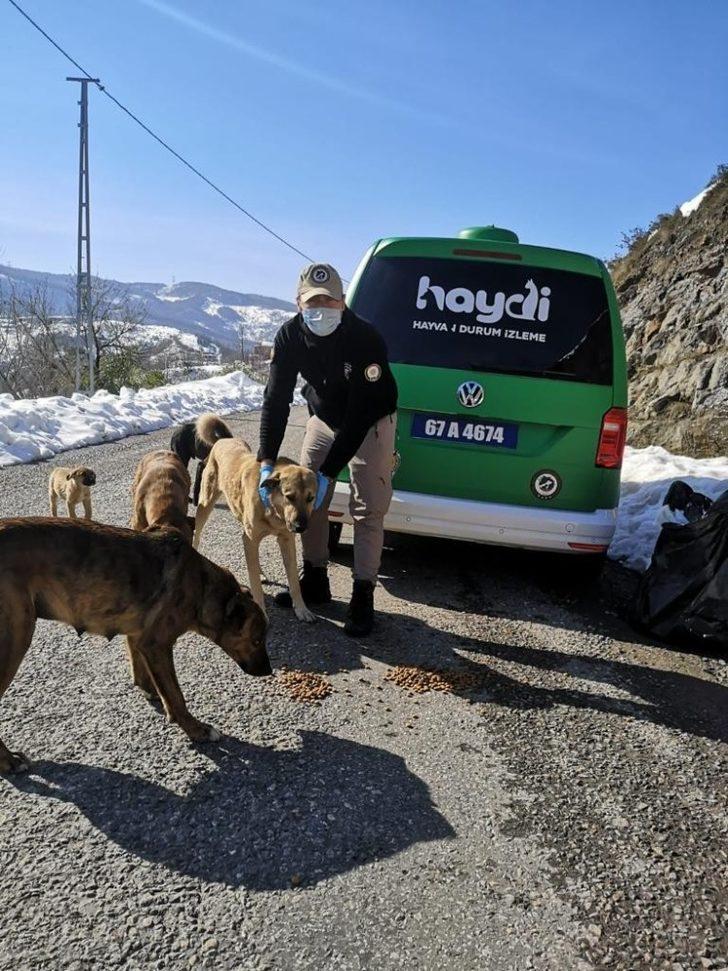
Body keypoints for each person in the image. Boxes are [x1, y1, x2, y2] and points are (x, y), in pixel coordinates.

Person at [257, 262, 398, 636]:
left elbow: (359, 415)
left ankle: (362, 595)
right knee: (307, 495)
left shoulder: (365, 338)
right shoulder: (289, 335)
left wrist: (329, 473)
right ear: (298, 303)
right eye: (312, 302)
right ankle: (315, 577)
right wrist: (266, 460)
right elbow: (275, 399)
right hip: (323, 416)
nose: (321, 308)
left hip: (370, 421)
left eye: (329, 301)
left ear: (343, 301)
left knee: (367, 507)